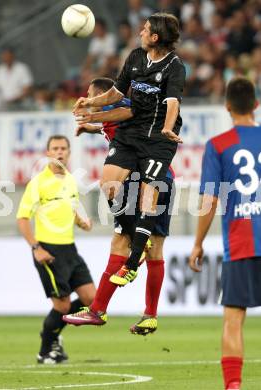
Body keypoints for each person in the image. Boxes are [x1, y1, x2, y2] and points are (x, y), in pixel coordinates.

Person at [72, 13, 185, 288]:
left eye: (145, 30)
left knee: (149, 195)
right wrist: (90, 102)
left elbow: (172, 103)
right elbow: (117, 93)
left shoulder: (174, 66)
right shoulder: (135, 57)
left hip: (159, 137)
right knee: (109, 185)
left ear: (156, 37)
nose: (140, 33)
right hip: (133, 132)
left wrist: (169, 128)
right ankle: (135, 236)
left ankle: (133, 262)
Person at [63, 77, 175, 335]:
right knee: (156, 251)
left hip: (140, 181)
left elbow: (124, 112)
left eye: (91, 94)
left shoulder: (120, 107)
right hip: (164, 178)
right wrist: (91, 127)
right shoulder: (114, 117)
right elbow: (114, 125)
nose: (88, 98)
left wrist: (91, 115)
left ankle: (97, 309)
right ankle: (150, 316)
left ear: (102, 96)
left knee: (120, 241)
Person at [189, 77, 261, 390]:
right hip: (245, 241)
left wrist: (197, 243)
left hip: (242, 243)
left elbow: (210, 200)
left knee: (233, 318)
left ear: (227, 106)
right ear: (256, 105)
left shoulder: (218, 145)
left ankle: (233, 386)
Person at [17, 135, 96, 364]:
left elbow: (68, 210)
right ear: (48, 153)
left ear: (69, 153)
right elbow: (22, 219)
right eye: (55, 148)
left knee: (92, 299)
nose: (60, 152)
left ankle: (53, 334)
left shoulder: (71, 180)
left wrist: (81, 222)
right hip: (48, 250)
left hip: (70, 248)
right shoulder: (38, 182)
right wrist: (36, 248)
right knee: (61, 305)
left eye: (63, 148)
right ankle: (45, 349)